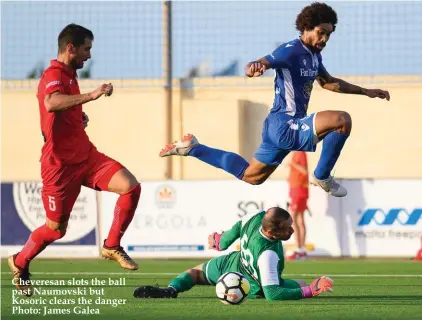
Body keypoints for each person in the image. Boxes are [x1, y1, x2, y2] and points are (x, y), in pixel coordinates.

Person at [159, 2, 390, 198]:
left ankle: (194, 149)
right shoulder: (291, 50)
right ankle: (322, 176)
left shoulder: (314, 56)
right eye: (321, 32)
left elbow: (328, 82)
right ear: (307, 28)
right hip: (286, 124)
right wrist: (253, 68)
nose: (325, 38)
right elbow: (261, 62)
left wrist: (365, 91)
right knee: (342, 120)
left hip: (277, 126)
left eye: (329, 34)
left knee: (252, 176)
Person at [8, 24, 141, 297]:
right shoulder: (53, 74)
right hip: (59, 167)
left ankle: (111, 245)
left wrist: (77, 118)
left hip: (86, 156)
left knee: (130, 186)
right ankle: (20, 262)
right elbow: (51, 103)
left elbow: (62, 110)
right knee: (55, 230)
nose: (89, 55)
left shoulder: (70, 75)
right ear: (71, 48)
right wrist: (92, 95)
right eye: (86, 49)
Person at [133, 207, 333, 301]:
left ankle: (172, 289)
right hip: (252, 284)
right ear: (271, 233)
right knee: (299, 286)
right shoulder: (268, 255)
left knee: (193, 274)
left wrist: (221, 241)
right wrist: (310, 291)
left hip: (230, 263)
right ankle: (308, 288)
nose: (292, 231)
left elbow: (237, 227)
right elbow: (272, 294)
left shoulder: (254, 217)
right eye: (287, 229)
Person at [286, 151, 309, 260]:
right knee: (299, 219)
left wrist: (292, 164)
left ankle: (299, 248)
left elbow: (304, 171)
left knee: (294, 218)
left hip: (298, 189)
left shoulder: (300, 152)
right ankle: (301, 250)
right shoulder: (296, 152)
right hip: (297, 189)